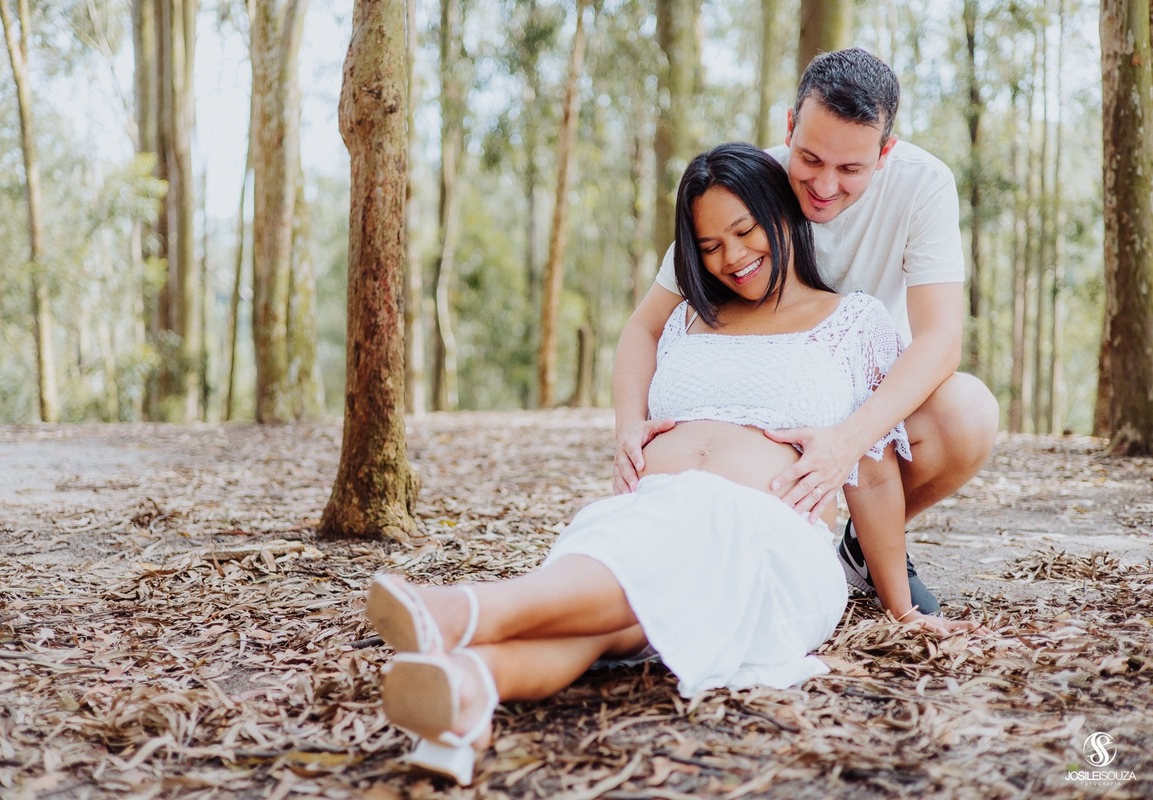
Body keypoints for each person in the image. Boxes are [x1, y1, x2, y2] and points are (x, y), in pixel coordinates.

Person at [365, 144, 982, 786]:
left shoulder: (855, 324)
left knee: (656, 560)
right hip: (646, 519)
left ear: (782, 216)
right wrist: (629, 433)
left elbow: (876, 476)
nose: (733, 257)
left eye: (744, 232)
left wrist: (904, 609)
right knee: (621, 626)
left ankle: (462, 611)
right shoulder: (686, 320)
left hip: (765, 545)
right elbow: (637, 339)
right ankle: (469, 686)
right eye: (710, 245)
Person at [612, 49, 999, 617]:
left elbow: (939, 339)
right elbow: (644, 327)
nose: (822, 185)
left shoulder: (923, 186)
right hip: (758, 420)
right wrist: (628, 427)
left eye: (850, 170)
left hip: (868, 395)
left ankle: (866, 544)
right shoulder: (745, 187)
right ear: (790, 126)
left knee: (967, 411)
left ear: (884, 153)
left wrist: (848, 438)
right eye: (810, 158)